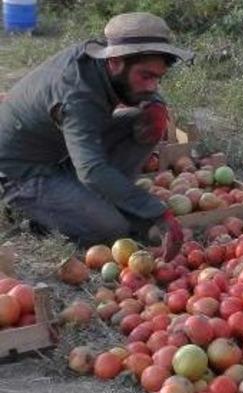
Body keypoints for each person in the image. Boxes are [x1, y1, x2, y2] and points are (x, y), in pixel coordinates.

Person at [0, 12, 192, 256]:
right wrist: (155, 213)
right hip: (22, 172)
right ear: (115, 63)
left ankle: (101, 199)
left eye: (158, 78)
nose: (152, 86)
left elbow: (143, 91)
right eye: (146, 76)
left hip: (62, 149)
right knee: (113, 229)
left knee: (146, 120)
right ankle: (35, 215)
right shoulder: (77, 94)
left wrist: (155, 104)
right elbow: (91, 169)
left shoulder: (106, 60)